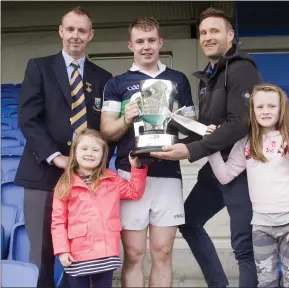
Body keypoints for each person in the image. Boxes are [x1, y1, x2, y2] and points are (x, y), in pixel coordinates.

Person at [151, 7, 262, 287]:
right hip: (214, 170)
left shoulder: (241, 68)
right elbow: (205, 127)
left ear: (230, 35)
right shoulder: (209, 78)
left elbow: (240, 123)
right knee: (189, 222)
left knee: (243, 247)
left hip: (241, 173)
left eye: (215, 31)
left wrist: (190, 151)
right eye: (203, 33)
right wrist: (164, 131)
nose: (207, 37)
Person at [14, 7, 112, 287]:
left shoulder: (103, 77)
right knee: (42, 252)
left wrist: (94, 164)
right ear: (61, 31)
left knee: (81, 252)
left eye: (82, 31)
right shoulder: (38, 67)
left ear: (90, 35)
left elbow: (105, 130)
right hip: (42, 174)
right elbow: (27, 118)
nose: (75, 36)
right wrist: (56, 157)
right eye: (70, 29)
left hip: (85, 177)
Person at [100, 17, 196, 287]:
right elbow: (107, 131)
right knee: (133, 253)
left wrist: (177, 119)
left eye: (151, 40)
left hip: (167, 174)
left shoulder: (178, 80)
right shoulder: (116, 84)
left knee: (163, 253)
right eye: (140, 41)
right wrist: (126, 118)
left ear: (160, 43)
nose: (146, 46)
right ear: (130, 45)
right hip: (129, 175)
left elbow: (190, 128)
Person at [206, 84, 289, 287]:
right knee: (266, 282)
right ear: (252, 110)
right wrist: (211, 146)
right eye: (260, 107)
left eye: (271, 106)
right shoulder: (247, 142)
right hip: (261, 225)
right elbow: (225, 176)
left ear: (281, 109)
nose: (265, 111)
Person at [51, 129, 148, 288]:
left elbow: (134, 192)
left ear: (103, 156)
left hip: (106, 253)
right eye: (84, 149)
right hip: (77, 255)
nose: (90, 153)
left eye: (95, 150)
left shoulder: (112, 179)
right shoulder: (65, 184)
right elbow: (58, 222)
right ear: (74, 152)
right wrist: (62, 250)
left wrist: (136, 168)